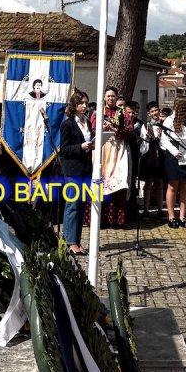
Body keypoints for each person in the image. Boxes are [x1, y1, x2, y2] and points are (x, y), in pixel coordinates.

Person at [59, 91, 93, 256]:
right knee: (72, 205)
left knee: (81, 205)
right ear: (74, 105)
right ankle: (69, 242)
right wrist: (80, 147)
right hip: (72, 169)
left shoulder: (87, 122)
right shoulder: (68, 124)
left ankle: (77, 241)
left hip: (85, 168)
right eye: (82, 103)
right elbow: (63, 149)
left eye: (86, 103)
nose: (85, 106)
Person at [93, 87, 131, 228]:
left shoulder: (122, 113)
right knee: (100, 182)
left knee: (117, 183)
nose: (110, 99)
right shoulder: (97, 112)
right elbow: (92, 129)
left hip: (117, 149)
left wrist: (115, 129)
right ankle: (99, 219)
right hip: (102, 148)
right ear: (104, 97)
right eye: (108, 96)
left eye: (113, 96)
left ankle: (116, 219)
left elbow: (129, 130)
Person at [161, 95, 186, 228]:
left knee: (185, 187)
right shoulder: (169, 121)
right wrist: (173, 151)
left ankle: (182, 216)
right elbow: (164, 140)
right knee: (172, 186)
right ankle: (171, 216)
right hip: (174, 156)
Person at [139, 103, 165, 215]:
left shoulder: (164, 125)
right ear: (149, 113)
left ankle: (160, 209)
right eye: (152, 111)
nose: (155, 113)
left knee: (159, 182)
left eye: (156, 110)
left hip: (161, 155)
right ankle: (146, 209)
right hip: (150, 156)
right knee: (148, 182)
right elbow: (143, 144)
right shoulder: (145, 126)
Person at [21, 79, 48, 175]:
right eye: (36, 85)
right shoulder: (30, 95)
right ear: (33, 86)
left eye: (40, 85)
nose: (38, 87)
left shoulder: (44, 95)